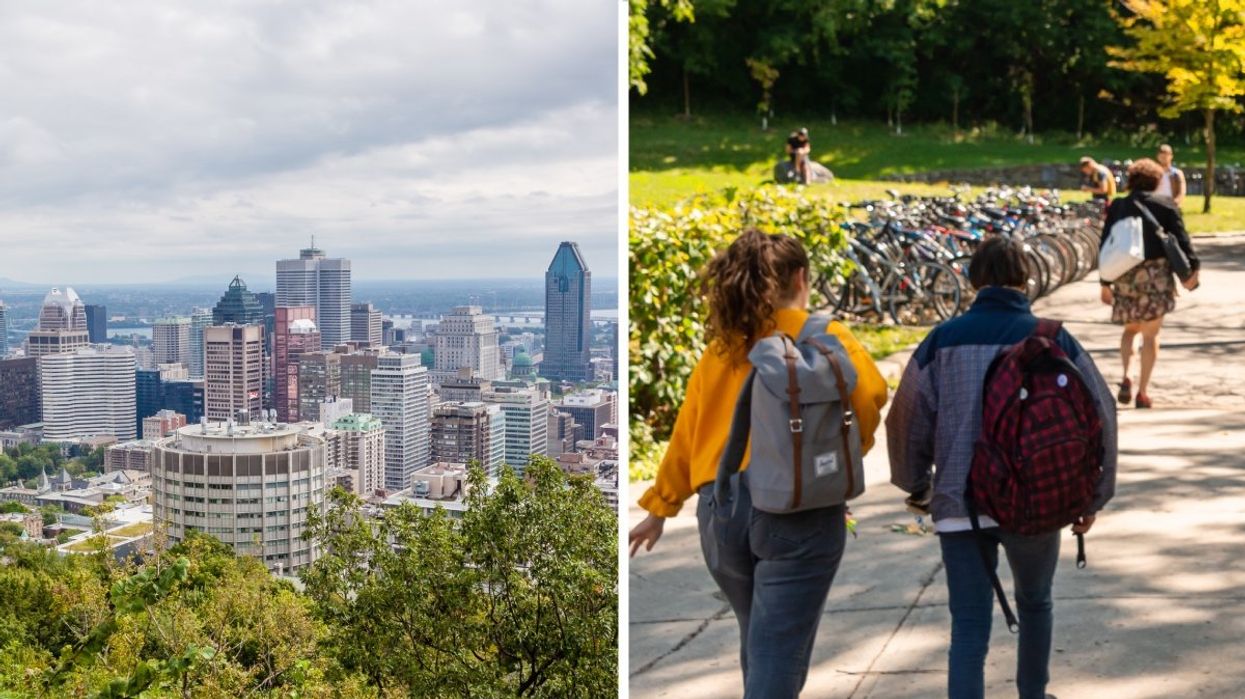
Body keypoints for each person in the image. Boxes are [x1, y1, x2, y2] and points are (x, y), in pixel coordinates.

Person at [629, 228, 888, 698]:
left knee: (760, 637)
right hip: (796, 510)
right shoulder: (827, 338)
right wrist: (829, 459)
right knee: (778, 651)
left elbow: (688, 431)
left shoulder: (722, 349)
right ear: (802, 278)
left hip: (720, 512)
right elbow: (869, 398)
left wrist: (659, 508)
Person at [887, 236, 1119, 699]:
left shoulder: (942, 340)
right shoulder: (1054, 338)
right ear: (1024, 279)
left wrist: (916, 484)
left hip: (959, 501)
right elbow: (1102, 411)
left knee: (968, 622)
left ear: (974, 283)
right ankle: (1032, 694)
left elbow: (906, 418)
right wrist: (1094, 495)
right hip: (1036, 499)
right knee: (1035, 603)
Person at [1100, 158, 1200, 409]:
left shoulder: (1119, 206)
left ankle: (1126, 376)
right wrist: (1193, 269)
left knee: (1130, 329)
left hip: (1124, 274)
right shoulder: (1165, 205)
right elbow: (1182, 240)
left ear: (1131, 180)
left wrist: (1104, 282)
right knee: (1151, 334)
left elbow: (1106, 244)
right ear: (1157, 181)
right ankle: (1142, 392)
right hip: (1156, 276)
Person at [1154, 144, 1186, 208]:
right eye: (1162, 155)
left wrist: (1174, 204)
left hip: (1171, 206)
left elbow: (1181, 193)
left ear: (1171, 156)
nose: (1164, 158)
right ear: (1158, 156)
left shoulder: (1177, 173)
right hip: (1155, 206)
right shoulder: (1153, 173)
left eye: (1166, 155)